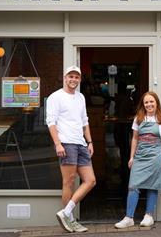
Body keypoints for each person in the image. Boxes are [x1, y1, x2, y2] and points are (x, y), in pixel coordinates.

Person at [46, 65, 96, 233]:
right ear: (64, 78)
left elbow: (85, 121)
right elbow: (51, 122)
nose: (73, 79)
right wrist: (58, 143)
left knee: (90, 180)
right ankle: (71, 220)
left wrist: (89, 142)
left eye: (76, 77)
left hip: (81, 143)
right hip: (66, 142)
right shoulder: (55, 97)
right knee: (68, 181)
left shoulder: (80, 97)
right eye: (71, 76)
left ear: (79, 79)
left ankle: (65, 213)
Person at [115, 91, 161, 229]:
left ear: (156, 103)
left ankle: (149, 216)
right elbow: (134, 138)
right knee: (133, 186)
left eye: (151, 101)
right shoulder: (138, 119)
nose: (149, 104)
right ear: (143, 104)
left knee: (152, 186)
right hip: (140, 156)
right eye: (146, 102)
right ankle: (129, 217)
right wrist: (131, 157)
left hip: (156, 156)